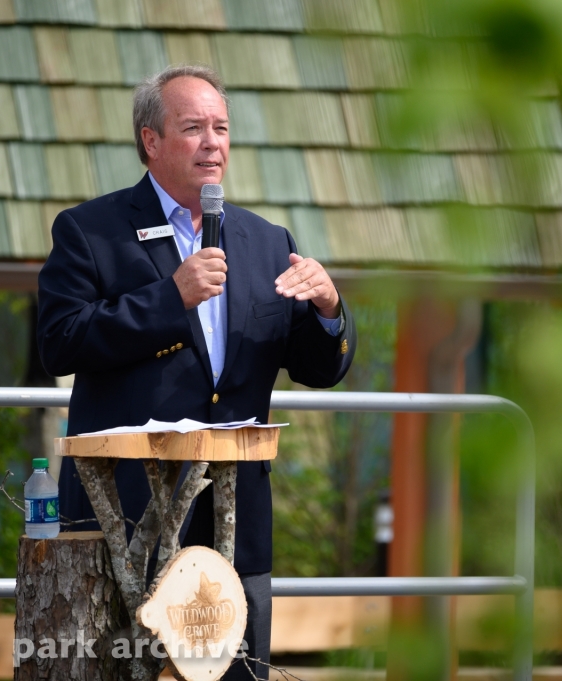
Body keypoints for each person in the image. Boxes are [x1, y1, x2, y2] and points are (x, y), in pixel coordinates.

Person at [36, 64, 357, 679]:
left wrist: (329, 310)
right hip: (127, 519)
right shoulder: (90, 231)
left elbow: (318, 369)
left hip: (235, 528)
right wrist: (167, 299)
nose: (213, 142)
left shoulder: (266, 241)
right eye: (193, 128)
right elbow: (60, 342)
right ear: (150, 141)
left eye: (221, 128)